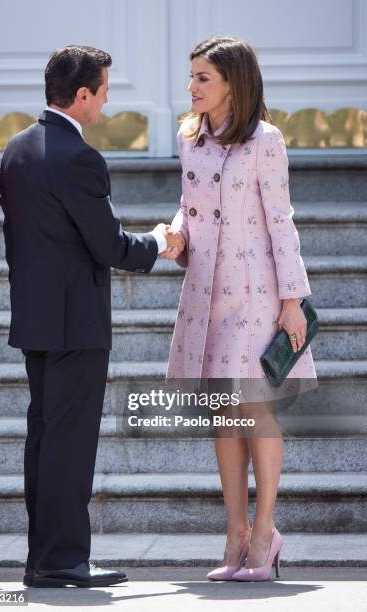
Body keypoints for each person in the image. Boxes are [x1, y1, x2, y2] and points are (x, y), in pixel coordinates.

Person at [0, 45, 184, 589]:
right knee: (69, 445)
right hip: (75, 325)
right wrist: (160, 241)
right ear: (82, 96)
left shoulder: (16, 147)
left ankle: (44, 557)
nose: (105, 103)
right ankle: (62, 562)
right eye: (103, 91)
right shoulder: (80, 157)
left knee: (45, 441)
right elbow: (110, 246)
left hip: (35, 321)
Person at [165, 36, 317, 582]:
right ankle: (235, 534)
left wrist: (292, 301)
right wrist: (177, 234)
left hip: (256, 294)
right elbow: (189, 207)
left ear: (234, 81)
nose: (192, 88)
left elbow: (282, 220)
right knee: (224, 418)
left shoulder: (266, 140)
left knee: (254, 411)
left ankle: (265, 534)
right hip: (207, 293)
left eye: (203, 78)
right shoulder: (190, 138)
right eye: (192, 77)